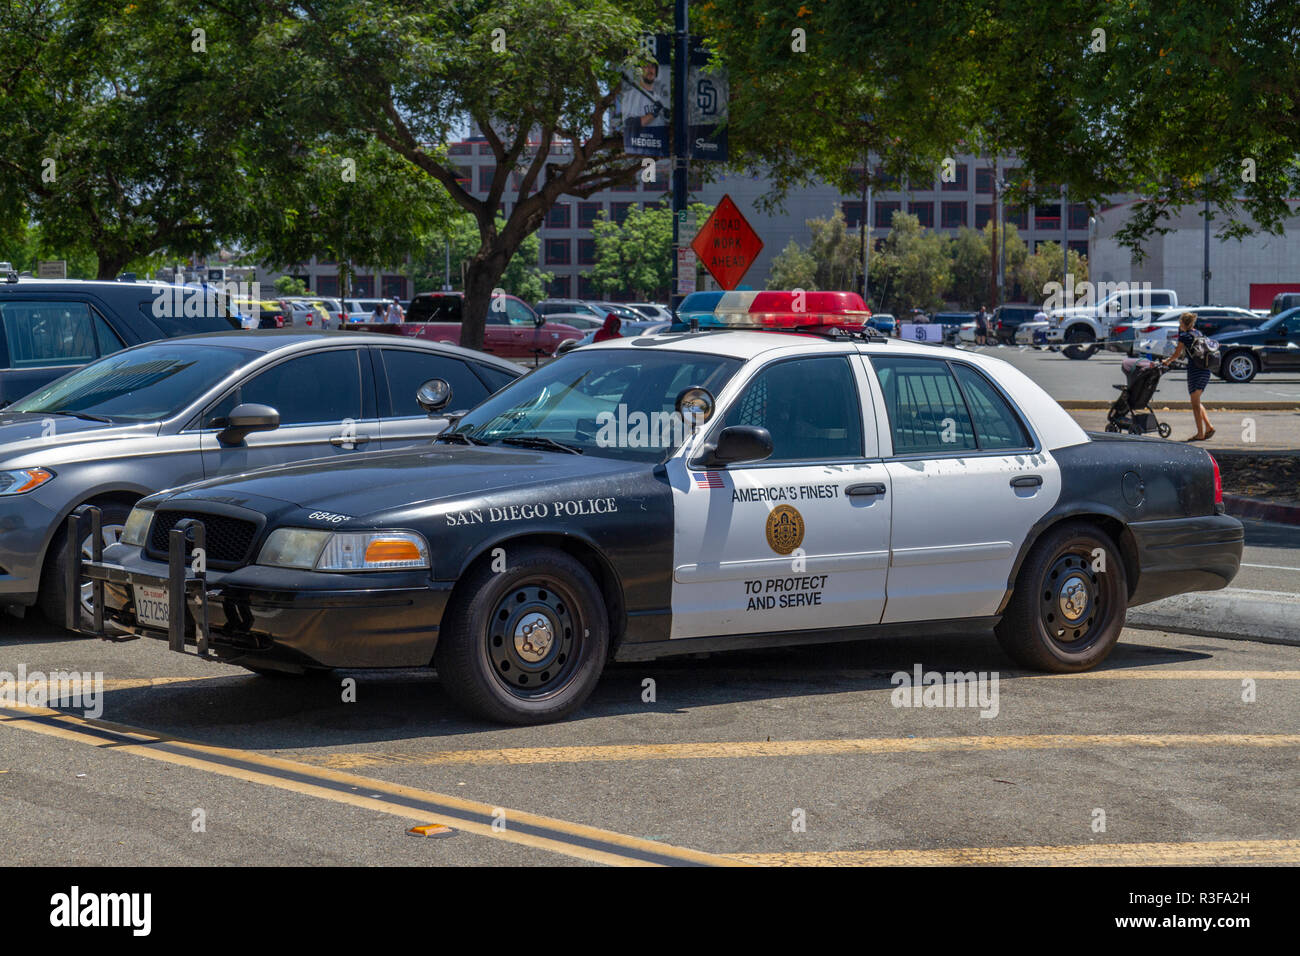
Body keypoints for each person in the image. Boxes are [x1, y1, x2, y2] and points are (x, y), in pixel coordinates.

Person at [1162, 311, 1215, 441]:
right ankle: (1208, 427)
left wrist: (1166, 361)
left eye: (1180, 322)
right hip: (1205, 370)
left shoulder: (1185, 336)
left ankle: (1200, 433)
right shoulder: (1198, 333)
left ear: (1183, 323)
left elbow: (1176, 354)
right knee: (1197, 401)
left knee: (1195, 403)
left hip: (1195, 371)